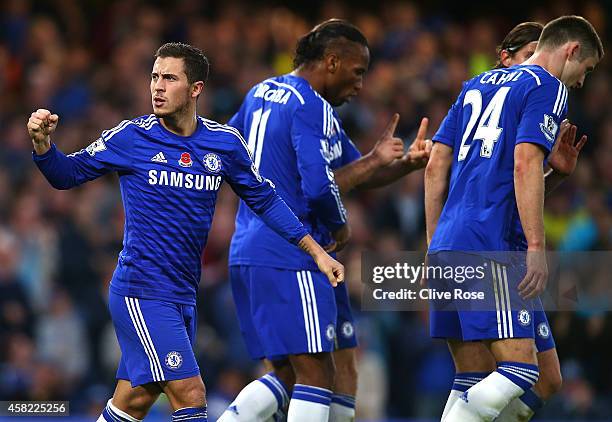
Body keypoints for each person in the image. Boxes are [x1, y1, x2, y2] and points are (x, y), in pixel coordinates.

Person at [27, 42, 344, 422]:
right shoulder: (131, 138)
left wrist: (317, 252)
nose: (157, 87)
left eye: (169, 78)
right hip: (141, 291)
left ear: (196, 89)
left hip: (183, 295)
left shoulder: (223, 144)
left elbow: (266, 200)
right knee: (190, 393)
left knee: (135, 400)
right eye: (154, 77)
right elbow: (67, 174)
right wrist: (44, 147)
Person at [218, 19, 430, 422]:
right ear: (332, 62)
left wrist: (402, 164)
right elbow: (319, 188)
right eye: (357, 72)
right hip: (295, 252)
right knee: (317, 375)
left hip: (255, 249)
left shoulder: (263, 93)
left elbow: (352, 170)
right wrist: (339, 224)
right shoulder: (310, 105)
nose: (361, 85)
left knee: (310, 369)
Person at [424, 15, 603, 421]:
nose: (581, 82)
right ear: (571, 50)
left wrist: (436, 243)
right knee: (520, 369)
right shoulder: (548, 86)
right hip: (493, 242)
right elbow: (523, 162)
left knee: (541, 378)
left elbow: (436, 163)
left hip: (455, 238)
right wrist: (538, 247)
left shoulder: (476, 84)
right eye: (586, 70)